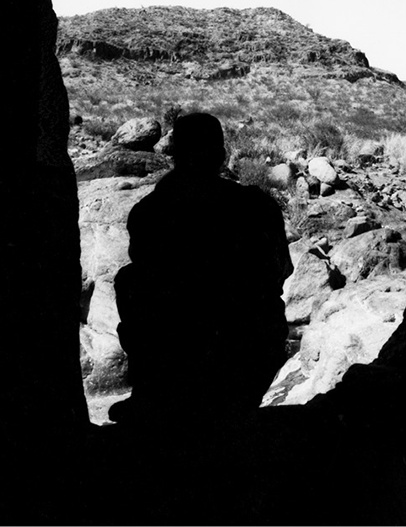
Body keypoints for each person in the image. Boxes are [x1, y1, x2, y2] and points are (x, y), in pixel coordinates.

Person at [112, 112, 293, 424]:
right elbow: (282, 272)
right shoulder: (258, 206)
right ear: (221, 156)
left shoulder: (149, 212)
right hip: (242, 365)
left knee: (129, 280)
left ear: (173, 155)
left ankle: (152, 396)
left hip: (174, 362)